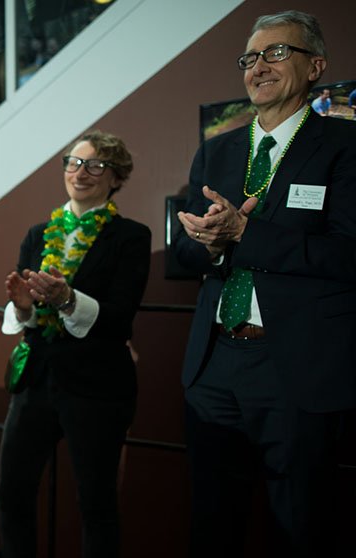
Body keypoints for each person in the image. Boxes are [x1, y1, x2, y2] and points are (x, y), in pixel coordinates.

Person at [175, 10, 356, 557]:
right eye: (250, 57)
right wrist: (206, 243)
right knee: (211, 522)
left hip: (296, 366)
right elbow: (186, 247)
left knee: (298, 524)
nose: (259, 66)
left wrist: (245, 235)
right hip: (214, 364)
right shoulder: (219, 149)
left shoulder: (346, 145)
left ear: (315, 66)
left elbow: (347, 252)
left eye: (277, 53)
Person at [0, 131, 150, 558]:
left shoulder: (131, 237)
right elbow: (23, 318)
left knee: (96, 504)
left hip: (99, 386)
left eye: (96, 165)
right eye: (74, 162)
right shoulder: (38, 233)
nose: (81, 173)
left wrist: (66, 298)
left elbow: (120, 317)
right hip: (36, 383)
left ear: (115, 177)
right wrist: (24, 305)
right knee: (12, 494)